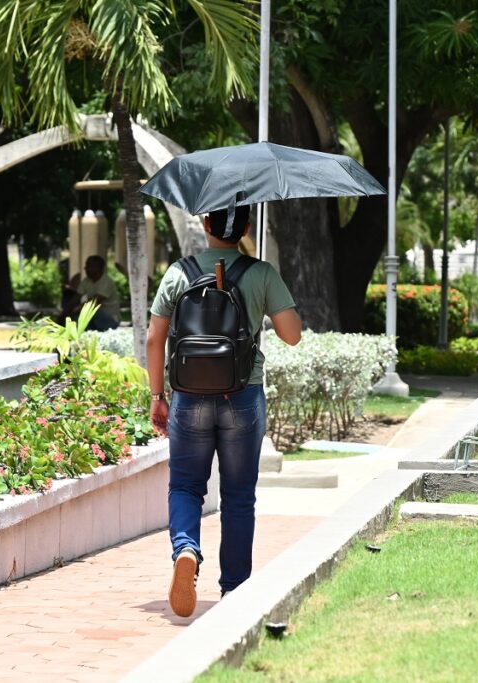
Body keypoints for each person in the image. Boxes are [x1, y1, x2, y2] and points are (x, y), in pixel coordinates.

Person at [146, 205, 302, 618]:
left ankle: (186, 550)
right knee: (238, 495)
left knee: (185, 486)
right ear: (246, 227)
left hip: (188, 397)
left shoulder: (178, 272)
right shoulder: (260, 273)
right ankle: (234, 589)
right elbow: (292, 336)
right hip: (243, 395)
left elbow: (154, 339)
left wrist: (157, 395)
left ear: (205, 223)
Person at [63, 255, 120, 330]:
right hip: (94, 319)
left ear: (98, 268)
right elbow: (76, 298)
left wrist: (77, 309)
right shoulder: (86, 281)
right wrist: (65, 312)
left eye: (88, 266)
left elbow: (94, 301)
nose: (85, 268)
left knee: (92, 310)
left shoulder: (106, 281)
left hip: (110, 319)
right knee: (75, 318)